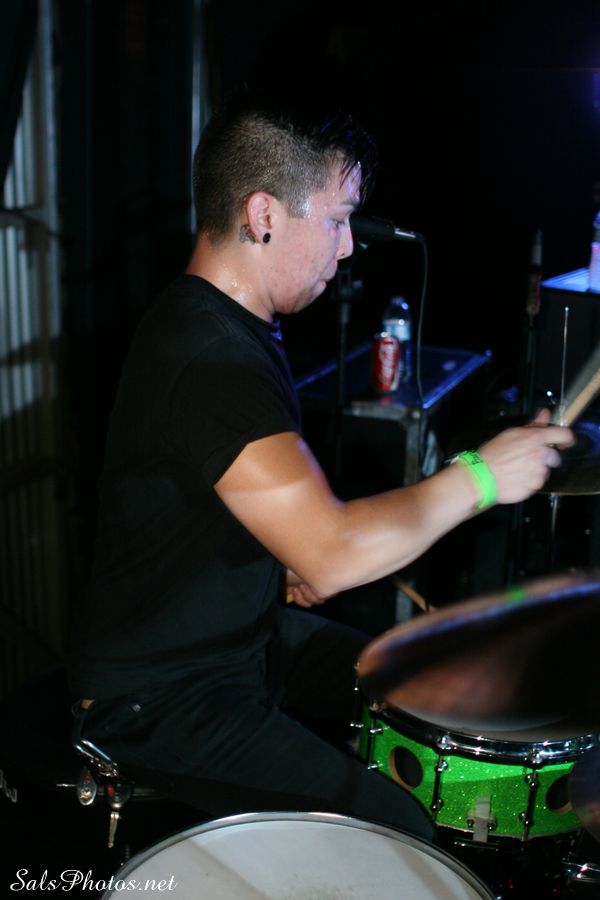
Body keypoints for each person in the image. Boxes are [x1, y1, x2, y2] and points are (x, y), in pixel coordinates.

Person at [67, 96, 572, 843]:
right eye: (337, 220)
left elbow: (215, 511)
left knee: (435, 682)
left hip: (242, 639)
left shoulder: (226, 324)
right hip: (161, 696)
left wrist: (275, 562)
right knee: (394, 829)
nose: (348, 247)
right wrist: (484, 475)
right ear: (263, 215)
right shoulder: (211, 357)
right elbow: (332, 553)